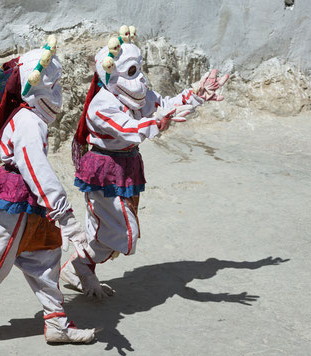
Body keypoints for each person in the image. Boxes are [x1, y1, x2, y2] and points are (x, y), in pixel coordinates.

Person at [0, 36, 97, 345]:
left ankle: (56, 322)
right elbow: (37, 171)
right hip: (17, 202)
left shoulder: (30, 117)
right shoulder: (28, 122)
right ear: (35, 89)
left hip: (29, 204)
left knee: (46, 259)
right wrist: (66, 217)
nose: (59, 94)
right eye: (53, 87)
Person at [61, 26, 229, 298]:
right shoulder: (101, 104)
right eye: (131, 72)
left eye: (139, 69)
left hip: (128, 166)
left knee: (107, 228)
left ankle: (81, 269)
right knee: (122, 231)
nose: (140, 78)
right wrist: (158, 122)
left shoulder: (138, 96)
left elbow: (165, 103)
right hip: (104, 169)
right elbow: (128, 128)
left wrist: (197, 94)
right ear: (111, 74)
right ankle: (79, 265)